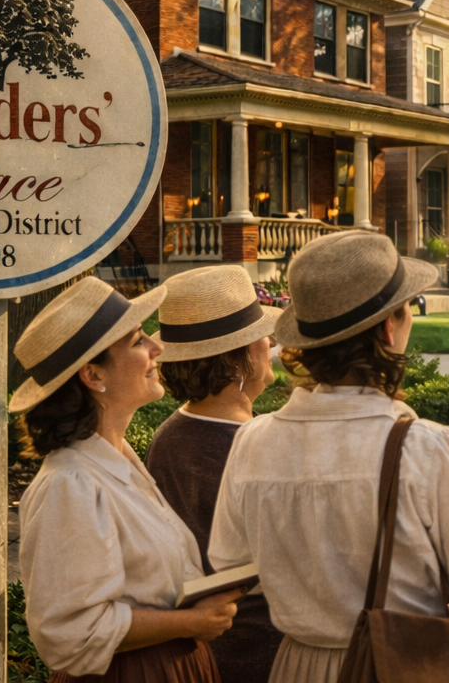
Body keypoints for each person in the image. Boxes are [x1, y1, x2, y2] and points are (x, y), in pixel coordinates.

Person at [208, 230, 449, 683]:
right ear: (388, 328)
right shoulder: (426, 448)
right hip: (405, 665)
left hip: (297, 665)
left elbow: (229, 567)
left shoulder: (253, 442)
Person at [13, 277, 242, 682]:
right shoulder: (71, 484)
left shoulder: (119, 461)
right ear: (93, 376)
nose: (157, 348)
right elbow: (69, 633)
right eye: (138, 341)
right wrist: (191, 623)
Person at [145, 265, 287, 680]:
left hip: (200, 652)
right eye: (260, 335)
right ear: (235, 359)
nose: (271, 342)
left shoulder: (168, 435)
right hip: (264, 650)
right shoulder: (255, 446)